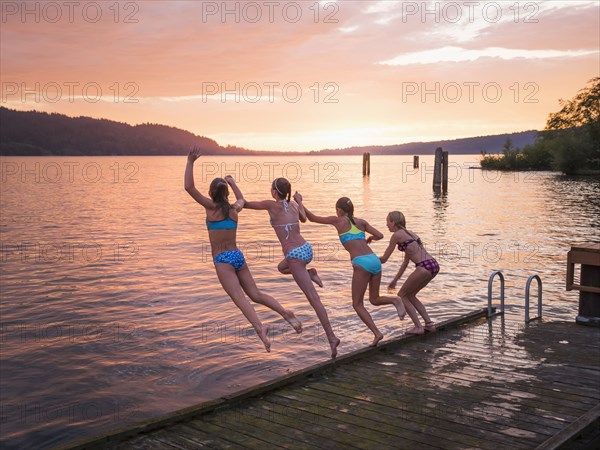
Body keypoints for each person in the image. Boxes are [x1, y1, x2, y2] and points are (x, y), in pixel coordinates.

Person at [184, 149, 301, 352]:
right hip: (238, 257)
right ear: (226, 193)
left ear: (211, 193)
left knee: (239, 298)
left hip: (222, 259)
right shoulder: (235, 208)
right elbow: (242, 198)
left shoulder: (211, 207)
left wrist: (190, 161)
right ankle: (285, 313)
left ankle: (260, 328)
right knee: (256, 293)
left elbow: (189, 187)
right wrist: (233, 182)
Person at [242, 178, 340, 357]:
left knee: (314, 299)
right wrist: (300, 200)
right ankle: (310, 273)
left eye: (271, 188)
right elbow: (304, 219)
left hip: (294, 256)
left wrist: (232, 186)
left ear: (274, 191)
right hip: (306, 249)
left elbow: (245, 204)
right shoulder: (294, 205)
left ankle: (332, 337)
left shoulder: (271, 205)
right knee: (281, 267)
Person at [294, 195, 407, 346]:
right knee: (374, 299)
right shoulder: (361, 222)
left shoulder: (337, 220)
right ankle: (395, 300)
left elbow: (313, 218)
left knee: (357, 304)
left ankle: (377, 332)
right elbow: (380, 235)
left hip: (361, 263)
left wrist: (300, 202)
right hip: (374, 261)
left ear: (339, 210)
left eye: (336, 210)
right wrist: (370, 239)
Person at [380, 211, 438, 335]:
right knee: (410, 295)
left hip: (424, 266)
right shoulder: (410, 234)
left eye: (387, 221)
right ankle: (429, 324)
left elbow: (384, 258)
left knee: (402, 295)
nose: (386, 224)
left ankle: (418, 327)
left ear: (393, 222)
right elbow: (406, 262)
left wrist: (367, 258)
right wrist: (395, 280)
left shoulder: (396, 235)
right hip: (432, 264)